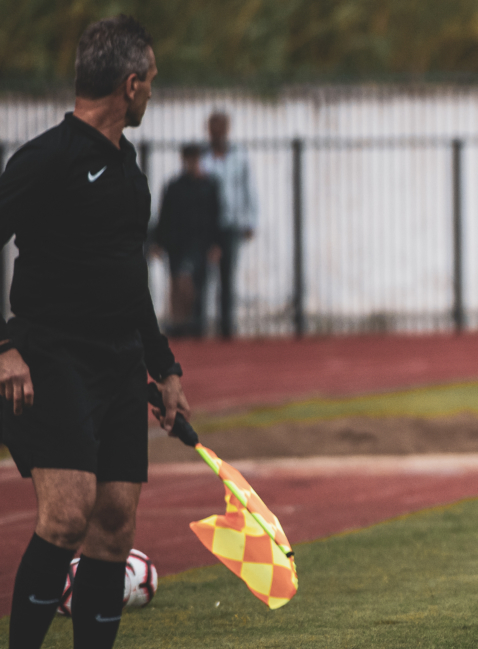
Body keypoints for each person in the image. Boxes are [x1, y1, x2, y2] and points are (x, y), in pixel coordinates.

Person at [0, 15, 191, 649]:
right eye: (151, 81)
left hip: (120, 363)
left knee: (113, 525)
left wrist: (164, 367)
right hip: (51, 356)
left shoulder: (130, 171)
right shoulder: (45, 160)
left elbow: (130, 281)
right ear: (130, 84)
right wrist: (4, 349)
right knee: (67, 513)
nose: (151, 93)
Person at [154, 144, 222, 338]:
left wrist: (216, 244)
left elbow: (216, 216)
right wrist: (158, 242)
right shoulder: (174, 186)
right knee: (178, 283)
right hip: (177, 244)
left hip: (200, 244)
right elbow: (164, 215)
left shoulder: (209, 186)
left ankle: (194, 323)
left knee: (196, 285)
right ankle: (179, 323)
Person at [201, 111, 257, 340]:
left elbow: (248, 188)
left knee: (227, 277)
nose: (217, 133)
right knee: (203, 276)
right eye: (213, 129)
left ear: (227, 130)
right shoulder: (202, 158)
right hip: (206, 226)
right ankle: (200, 326)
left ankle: (227, 327)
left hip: (231, 224)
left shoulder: (239, 156)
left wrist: (250, 220)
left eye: (220, 128)